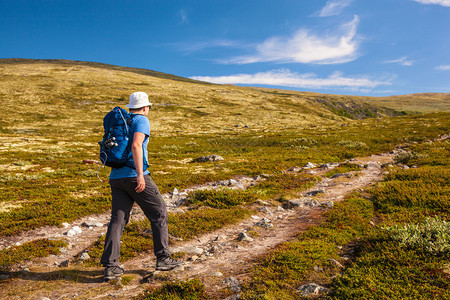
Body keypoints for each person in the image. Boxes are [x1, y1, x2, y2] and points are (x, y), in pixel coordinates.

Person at [101, 91, 183, 281]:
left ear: (130, 106)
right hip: (133, 175)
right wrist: (140, 175)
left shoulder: (122, 121)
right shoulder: (141, 121)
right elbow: (136, 146)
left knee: (118, 220)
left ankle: (111, 266)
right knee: (159, 211)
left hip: (116, 177)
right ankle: (163, 258)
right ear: (146, 107)